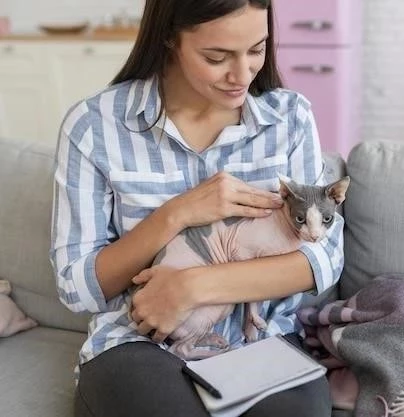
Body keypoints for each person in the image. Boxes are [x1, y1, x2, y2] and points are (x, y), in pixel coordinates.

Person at [50, 1, 344, 416]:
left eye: (257, 50)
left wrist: (192, 286)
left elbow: (323, 258)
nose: (242, 75)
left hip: (263, 343)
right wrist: (177, 214)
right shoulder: (94, 126)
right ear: (170, 36)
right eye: (216, 57)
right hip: (141, 342)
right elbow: (76, 287)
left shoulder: (290, 119)